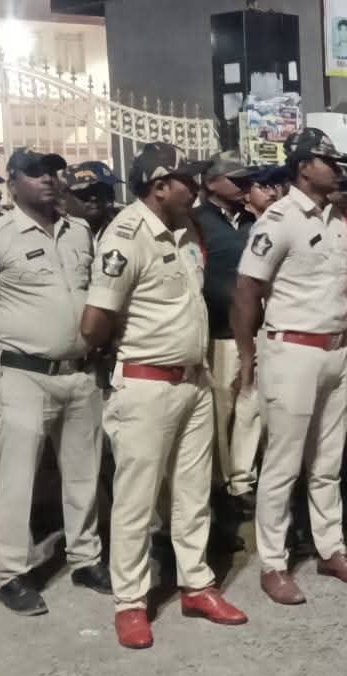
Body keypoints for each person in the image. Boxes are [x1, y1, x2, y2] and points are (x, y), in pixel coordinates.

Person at [79, 143, 246, 649]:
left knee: (193, 493)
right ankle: (130, 602)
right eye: (185, 181)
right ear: (158, 186)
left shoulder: (186, 229)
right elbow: (93, 324)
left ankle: (196, 584)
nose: (194, 188)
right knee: (136, 499)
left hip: (193, 381)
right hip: (146, 384)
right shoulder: (126, 236)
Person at [0, 147, 108, 616]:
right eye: (36, 171)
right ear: (13, 182)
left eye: (53, 171)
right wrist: (14, 325)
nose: (48, 178)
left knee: (83, 473)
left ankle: (85, 558)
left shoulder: (78, 230)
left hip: (79, 373)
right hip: (25, 374)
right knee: (17, 478)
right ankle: (13, 573)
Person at [233, 128, 347, 605]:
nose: (337, 169)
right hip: (292, 350)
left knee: (328, 463)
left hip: (334, 350)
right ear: (303, 167)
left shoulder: (336, 219)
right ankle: (274, 563)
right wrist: (247, 356)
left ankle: (330, 548)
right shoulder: (279, 219)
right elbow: (247, 289)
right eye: (328, 161)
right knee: (282, 464)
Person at [193, 151, 262, 509]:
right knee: (220, 410)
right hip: (217, 332)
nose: (244, 186)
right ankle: (219, 483)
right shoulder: (197, 222)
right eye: (236, 180)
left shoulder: (252, 221)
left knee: (250, 408)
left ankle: (242, 479)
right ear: (211, 183)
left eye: (247, 180)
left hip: (253, 330)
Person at [61, 161, 121, 231]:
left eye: (101, 191)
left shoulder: (122, 220)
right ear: (65, 197)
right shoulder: (58, 229)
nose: (93, 197)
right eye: (85, 192)